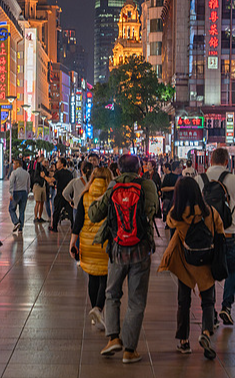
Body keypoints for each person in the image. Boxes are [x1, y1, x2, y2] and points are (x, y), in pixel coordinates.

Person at [88, 154, 159, 364]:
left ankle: (113, 339)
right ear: (139, 169)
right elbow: (153, 210)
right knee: (136, 300)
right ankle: (129, 350)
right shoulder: (148, 186)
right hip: (141, 249)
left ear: (118, 170)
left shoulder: (113, 187)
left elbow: (93, 215)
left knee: (112, 294)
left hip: (117, 249)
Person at [159, 178, 226, 359]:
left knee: (183, 301)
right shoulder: (210, 212)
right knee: (208, 301)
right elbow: (220, 232)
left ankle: (183, 341)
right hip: (206, 263)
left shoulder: (177, 215)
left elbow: (169, 222)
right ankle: (205, 332)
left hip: (186, 263)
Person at [197, 147, 235, 326]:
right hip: (228, 235)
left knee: (207, 274)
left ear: (210, 160)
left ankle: (210, 312)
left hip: (206, 236)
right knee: (231, 271)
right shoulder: (234, 180)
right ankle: (226, 307)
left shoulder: (199, 180)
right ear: (227, 161)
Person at [71, 165, 110, 332]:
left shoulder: (85, 196)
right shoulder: (110, 196)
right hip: (105, 243)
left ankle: (96, 312)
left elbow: (78, 222)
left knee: (92, 279)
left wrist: (72, 243)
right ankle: (98, 309)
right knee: (105, 279)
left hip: (87, 243)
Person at [50, 158, 75, 232]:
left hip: (60, 194)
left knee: (57, 211)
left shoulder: (58, 173)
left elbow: (51, 180)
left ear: (62, 164)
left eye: (58, 163)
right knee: (70, 212)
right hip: (68, 195)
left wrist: (44, 176)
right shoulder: (69, 173)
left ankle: (54, 227)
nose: (56, 164)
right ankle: (73, 226)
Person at [8, 158, 31, 233]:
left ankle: (16, 222)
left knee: (11, 209)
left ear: (18, 164)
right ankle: (20, 228)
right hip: (24, 192)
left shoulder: (14, 173)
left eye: (14, 164)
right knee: (22, 211)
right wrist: (27, 192)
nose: (13, 165)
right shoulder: (26, 173)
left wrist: (11, 193)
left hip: (16, 192)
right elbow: (28, 185)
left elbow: (11, 183)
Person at [30, 159, 49, 224]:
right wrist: (38, 162)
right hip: (37, 186)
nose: (46, 163)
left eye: (47, 162)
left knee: (42, 202)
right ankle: (35, 217)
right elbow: (37, 166)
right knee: (37, 202)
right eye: (45, 162)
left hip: (43, 186)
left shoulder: (45, 169)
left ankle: (39, 217)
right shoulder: (38, 168)